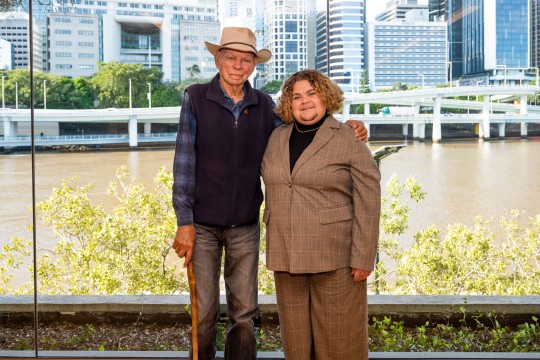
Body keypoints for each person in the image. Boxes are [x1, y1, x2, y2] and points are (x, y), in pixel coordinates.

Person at [171, 27, 367, 360]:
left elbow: (305, 128)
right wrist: (184, 221)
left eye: (246, 60)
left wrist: (347, 127)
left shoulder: (264, 106)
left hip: (246, 225)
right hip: (201, 226)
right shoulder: (195, 97)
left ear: (253, 65)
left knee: (245, 314)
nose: (238, 65)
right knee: (203, 313)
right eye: (231, 57)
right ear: (217, 59)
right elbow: (184, 163)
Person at [261, 69, 381, 360]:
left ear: (326, 96)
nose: (304, 102)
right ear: (289, 103)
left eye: (311, 94)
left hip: (335, 259)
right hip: (286, 256)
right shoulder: (275, 137)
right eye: (296, 96)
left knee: (340, 343)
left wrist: (364, 257)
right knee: (297, 346)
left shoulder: (347, 137)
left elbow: (369, 198)